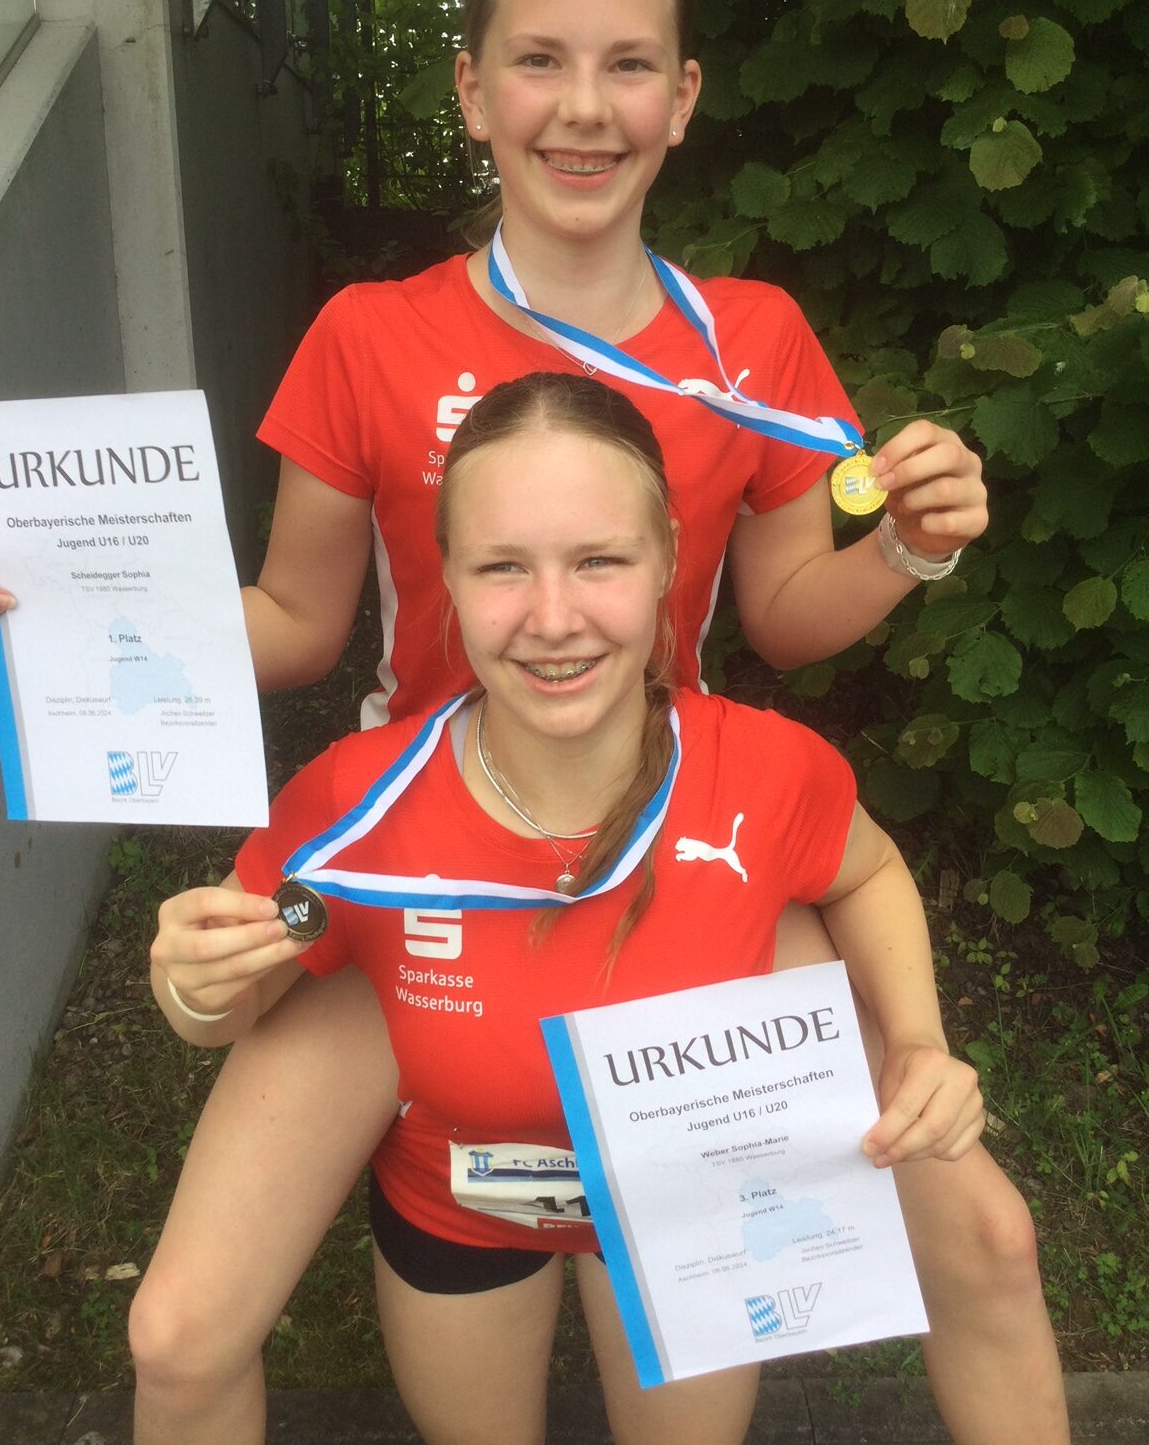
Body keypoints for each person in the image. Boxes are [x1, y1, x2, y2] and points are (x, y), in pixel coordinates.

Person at [0, 0, 1065, 1445]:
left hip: (684, 835)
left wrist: (909, 549)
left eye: (627, 65)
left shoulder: (753, 342)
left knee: (987, 1235)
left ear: (683, 98)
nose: (582, 108)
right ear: (473, 90)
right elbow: (296, 623)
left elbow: (789, 615)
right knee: (180, 1333)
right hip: (413, 858)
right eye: (539, 60)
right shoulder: (369, 335)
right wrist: (52, 593)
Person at [151, 371, 988, 1445]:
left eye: (599, 560)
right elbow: (243, 988)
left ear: (668, 561)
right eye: (503, 566)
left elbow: (865, 874)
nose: (553, 620)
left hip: (692, 1212)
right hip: (462, 1208)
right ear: (448, 576)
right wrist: (194, 985)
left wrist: (915, 1039)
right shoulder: (355, 805)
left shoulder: (768, 771)